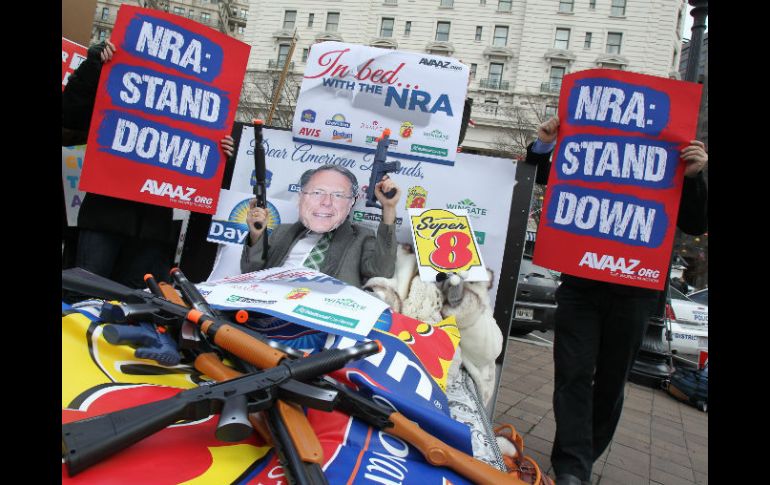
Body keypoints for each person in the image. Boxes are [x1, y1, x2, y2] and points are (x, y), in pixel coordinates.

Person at [525, 117, 708, 485]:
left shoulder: (676, 161)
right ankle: (573, 467)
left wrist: (695, 176)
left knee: (611, 382)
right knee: (572, 373)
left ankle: (581, 455)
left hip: (636, 292)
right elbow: (537, 177)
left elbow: (695, 222)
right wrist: (544, 144)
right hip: (581, 285)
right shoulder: (591, 149)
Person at [62, 40, 234, 290]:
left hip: (153, 232)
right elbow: (70, 113)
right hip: (105, 217)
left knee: (135, 306)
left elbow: (199, 169)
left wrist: (220, 153)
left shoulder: (188, 114)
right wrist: (93, 65)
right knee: (85, 295)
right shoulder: (116, 95)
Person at [241, 165, 400, 288]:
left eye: (338, 195)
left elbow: (382, 271)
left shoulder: (361, 236)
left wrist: (389, 207)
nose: (326, 202)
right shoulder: (282, 232)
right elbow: (250, 272)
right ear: (301, 196)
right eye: (317, 193)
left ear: (352, 202)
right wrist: (256, 235)